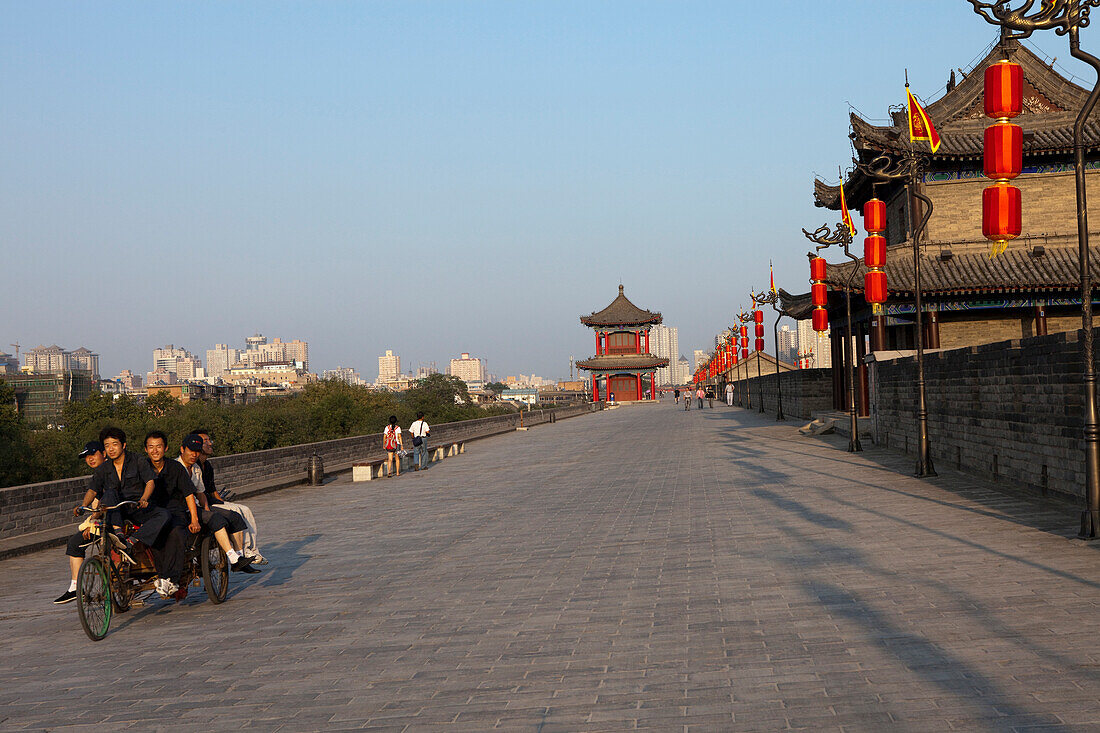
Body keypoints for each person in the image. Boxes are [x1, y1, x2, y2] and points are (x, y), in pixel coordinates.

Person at [75, 427, 169, 551]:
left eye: (114, 444)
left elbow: (150, 482)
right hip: (115, 512)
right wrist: (83, 506)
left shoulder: (137, 460)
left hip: (136, 507)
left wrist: (144, 498)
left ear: (123, 445)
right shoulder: (103, 468)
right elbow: (93, 490)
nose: (111, 449)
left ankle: (132, 540)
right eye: (107, 445)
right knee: (109, 493)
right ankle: (118, 535)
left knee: (164, 515)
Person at [176, 434, 255, 572]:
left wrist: (207, 509)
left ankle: (240, 558)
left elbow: (201, 493)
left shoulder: (196, 468)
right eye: (191, 451)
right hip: (184, 509)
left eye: (197, 451)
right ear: (182, 449)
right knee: (217, 520)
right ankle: (231, 556)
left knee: (235, 517)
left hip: (198, 506)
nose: (194, 455)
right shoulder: (175, 468)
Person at [192, 429, 267, 565]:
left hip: (211, 500)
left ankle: (251, 550)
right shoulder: (193, 465)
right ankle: (243, 550)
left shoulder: (207, 465)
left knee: (245, 510)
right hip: (203, 503)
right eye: (206, 441)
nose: (210, 444)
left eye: (210, 440)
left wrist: (223, 503)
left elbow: (213, 490)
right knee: (236, 512)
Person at [142, 431, 201, 598]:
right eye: (151, 447)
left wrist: (195, 520)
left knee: (175, 533)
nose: (155, 451)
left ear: (165, 448)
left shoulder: (176, 468)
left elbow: (189, 494)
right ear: (146, 449)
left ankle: (170, 579)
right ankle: (165, 578)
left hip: (176, 513)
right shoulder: (143, 468)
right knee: (156, 536)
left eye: (158, 446)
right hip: (154, 514)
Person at [55, 441, 105, 604]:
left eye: (93, 454)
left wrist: (93, 523)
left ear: (103, 453)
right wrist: (83, 508)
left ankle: (76, 588)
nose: (90, 459)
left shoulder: (108, 473)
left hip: (110, 521)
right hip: (99, 520)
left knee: (75, 543)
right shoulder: (99, 474)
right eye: (87, 457)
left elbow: (107, 504)